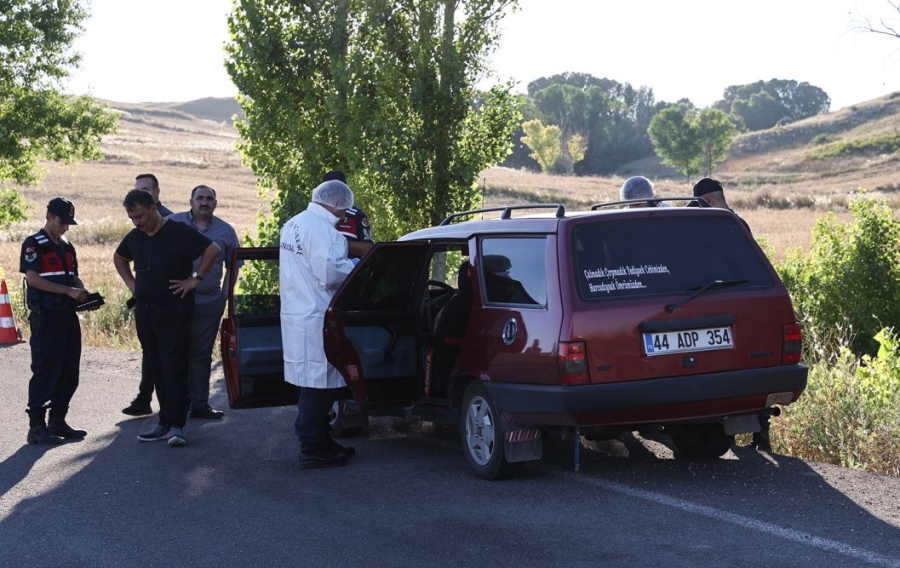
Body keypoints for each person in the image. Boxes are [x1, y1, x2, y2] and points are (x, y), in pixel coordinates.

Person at [113, 190, 220, 446]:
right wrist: (133, 285)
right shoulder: (136, 236)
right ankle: (163, 422)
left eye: (139, 216)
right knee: (156, 366)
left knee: (174, 366)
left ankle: (176, 426)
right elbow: (119, 258)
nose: (136, 222)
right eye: (131, 218)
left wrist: (195, 280)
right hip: (145, 310)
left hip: (174, 311)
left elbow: (212, 250)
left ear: (153, 208)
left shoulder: (177, 232)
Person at [280, 179, 358, 469]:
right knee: (319, 385)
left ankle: (320, 440)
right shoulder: (324, 230)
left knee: (308, 382)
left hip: (298, 314)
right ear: (337, 203)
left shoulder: (294, 224)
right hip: (317, 317)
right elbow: (330, 273)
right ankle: (312, 446)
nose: (344, 216)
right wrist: (355, 265)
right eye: (345, 211)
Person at [692, 178, 769, 451]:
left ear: (708, 201)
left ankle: (736, 436)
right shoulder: (738, 223)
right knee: (751, 366)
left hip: (718, 305)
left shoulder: (711, 226)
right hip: (745, 305)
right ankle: (761, 439)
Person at [19, 198, 91, 445]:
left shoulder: (68, 246)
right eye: (62, 222)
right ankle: (37, 428)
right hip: (47, 317)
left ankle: (57, 421)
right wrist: (67, 292)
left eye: (69, 223)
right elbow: (34, 279)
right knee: (45, 370)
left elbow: (74, 278)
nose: (65, 228)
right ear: (49, 216)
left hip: (68, 317)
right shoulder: (33, 244)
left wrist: (83, 292)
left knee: (70, 372)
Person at [166, 185, 240, 419]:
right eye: (200, 198)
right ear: (191, 201)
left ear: (215, 204)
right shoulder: (172, 223)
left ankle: (199, 404)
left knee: (201, 354)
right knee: (175, 352)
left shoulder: (226, 231)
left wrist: (225, 296)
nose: (204, 202)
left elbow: (234, 266)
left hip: (209, 303)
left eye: (209, 199)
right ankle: (175, 404)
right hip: (174, 301)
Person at [121, 173, 174, 416]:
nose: (141, 192)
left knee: (168, 355)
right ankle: (145, 399)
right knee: (149, 352)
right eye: (137, 188)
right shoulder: (138, 223)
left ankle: (173, 409)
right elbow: (121, 257)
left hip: (169, 303)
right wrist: (135, 287)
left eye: (146, 189)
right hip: (145, 300)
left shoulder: (170, 222)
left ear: (157, 193)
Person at [321, 170, 374, 258]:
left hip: (351, 269)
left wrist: (340, 242)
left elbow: (368, 249)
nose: (333, 195)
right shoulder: (316, 216)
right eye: (329, 191)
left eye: (337, 190)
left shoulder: (356, 216)